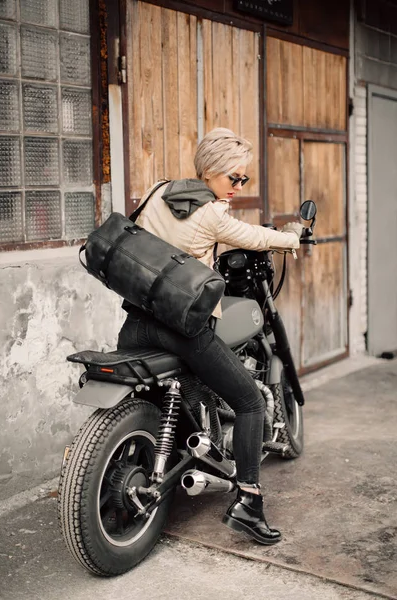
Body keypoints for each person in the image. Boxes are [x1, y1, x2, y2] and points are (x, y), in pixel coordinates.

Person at [118, 128, 304, 545]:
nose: (238, 187)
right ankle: (249, 503)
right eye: (233, 178)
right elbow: (256, 237)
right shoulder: (212, 213)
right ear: (209, 171)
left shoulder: (157, 190)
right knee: (251, 402)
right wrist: (294, 237)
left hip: (135, 323)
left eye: (244, 180)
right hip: (180, 329)